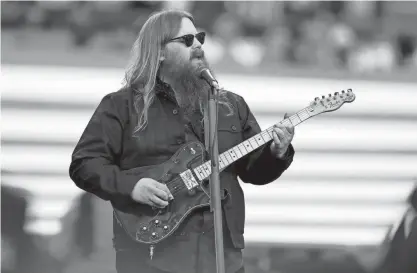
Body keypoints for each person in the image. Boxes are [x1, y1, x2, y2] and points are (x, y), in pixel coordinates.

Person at [69, 9, 295, 273]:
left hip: (222, 254)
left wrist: (277, 152)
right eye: (186, 40)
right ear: (160, 52)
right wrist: (132, 186)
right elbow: (84, 164)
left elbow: (253, 171)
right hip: (151, 255)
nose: (198, 44)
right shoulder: (122, 105)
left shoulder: (229, 105)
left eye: (199, 37)